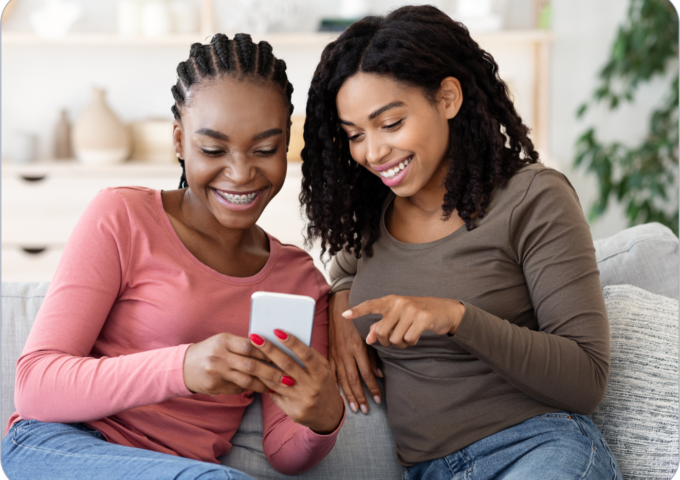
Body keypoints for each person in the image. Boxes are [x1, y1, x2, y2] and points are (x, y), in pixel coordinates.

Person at [299, 5, 623, 480]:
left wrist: (456, 318)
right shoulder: (375, 214)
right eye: (355, 135)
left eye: (390, 124)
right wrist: (340, 302)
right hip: (430, 471)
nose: (373, 153)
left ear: (447, 98)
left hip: (540, 450)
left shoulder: (534, 197)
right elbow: (345, 269)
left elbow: (586, 379)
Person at [2, 33, 345, 480]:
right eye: (212, 149)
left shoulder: (299, 280)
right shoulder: (123, 216)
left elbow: (284, 452)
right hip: (60, 445)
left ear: (285, 146)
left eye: (264, 150)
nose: (240, 173)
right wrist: (182, 367)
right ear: (180, 142)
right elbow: (36, 386)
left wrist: (322, 417)